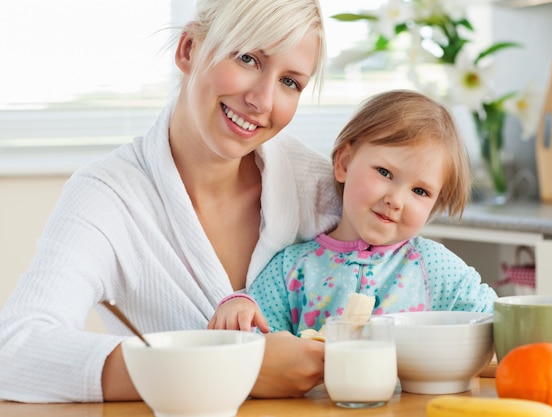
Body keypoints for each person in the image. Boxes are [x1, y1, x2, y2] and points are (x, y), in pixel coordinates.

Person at [0, 0, 342, 403]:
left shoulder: (322, 190)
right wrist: (230, 370)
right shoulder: (109, 195)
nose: (263, 101)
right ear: (189, 49)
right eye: (248, 58)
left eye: (290, 83)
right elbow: (15, 352)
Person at [213, 90, 497, 335]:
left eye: (420, 192)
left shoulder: (434, 267)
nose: (396, 200)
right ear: (345, 164)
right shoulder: (293, 269)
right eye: (385, 172)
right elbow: (260, 337)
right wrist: (239, 306)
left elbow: (495, 320)